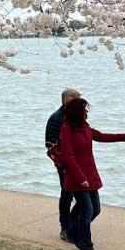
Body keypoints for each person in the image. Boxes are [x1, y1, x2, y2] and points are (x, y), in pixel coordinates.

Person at [59, 97, 125, 250]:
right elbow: (69, 157)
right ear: (77, 112)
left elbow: (101, 136)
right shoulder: (66, 130)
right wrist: (81, 178)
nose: (87, 112)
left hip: (90, 175)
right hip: (77, 178)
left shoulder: (84, 127)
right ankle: (86, 246)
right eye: (84, 110)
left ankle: (72, 233)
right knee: (87, 211)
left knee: (95, 209)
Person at [45, 87, 82, 240]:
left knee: (84, 196)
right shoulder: (56, 118)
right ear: (68, 100)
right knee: (67, 195)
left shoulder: (76, 117)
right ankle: (65, 227)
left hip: (79, 163)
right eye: (77, 101)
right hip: (65, 166)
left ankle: (73, 223)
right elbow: (50, 144)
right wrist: (63, 165)